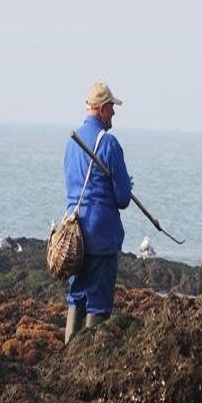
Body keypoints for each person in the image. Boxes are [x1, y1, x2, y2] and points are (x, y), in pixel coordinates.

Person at [63, 81, 133, 343]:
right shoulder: (109, 143)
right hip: (102, 236)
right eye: (112, 108)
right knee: (98, 302)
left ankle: (68, 353)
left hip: (76, 235)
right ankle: (87, 356)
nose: (114, 114)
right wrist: (125, 184)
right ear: (102, 109)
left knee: (77, 295)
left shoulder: (72, 143)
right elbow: (123, 197)